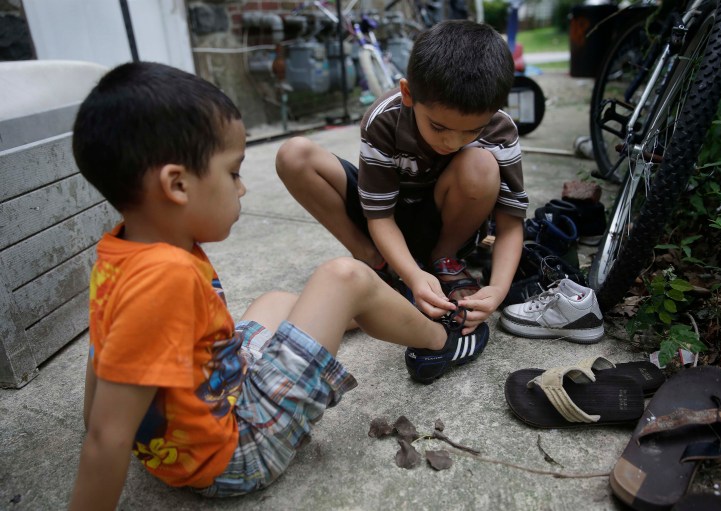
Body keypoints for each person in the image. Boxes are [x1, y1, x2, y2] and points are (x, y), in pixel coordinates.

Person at [68, 61, 489, 508]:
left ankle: (369, 309)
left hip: (207, 408)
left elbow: (104, 357)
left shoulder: (121, 254)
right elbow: (106, 438)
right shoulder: (162, 280)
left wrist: (111, 420)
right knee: (343, 277)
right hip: (235, 452)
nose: (242, 189)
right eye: (232, 173)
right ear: (177, 184)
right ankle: (441, 340)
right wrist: (109, 430)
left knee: (276, 300)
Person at [276, 20, 527, 335]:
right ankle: (376, 262)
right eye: (438, 126)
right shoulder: (384, 119)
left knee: (481, 165)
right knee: (294, 155)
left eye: (472, 130)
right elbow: (379, 216)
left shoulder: (500, 130)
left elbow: (510, 224)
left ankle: (444, 260)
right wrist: (411, 275)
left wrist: (498, 289)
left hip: (445, 221)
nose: (452, 142)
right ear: (408, 93)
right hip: (385, 218)